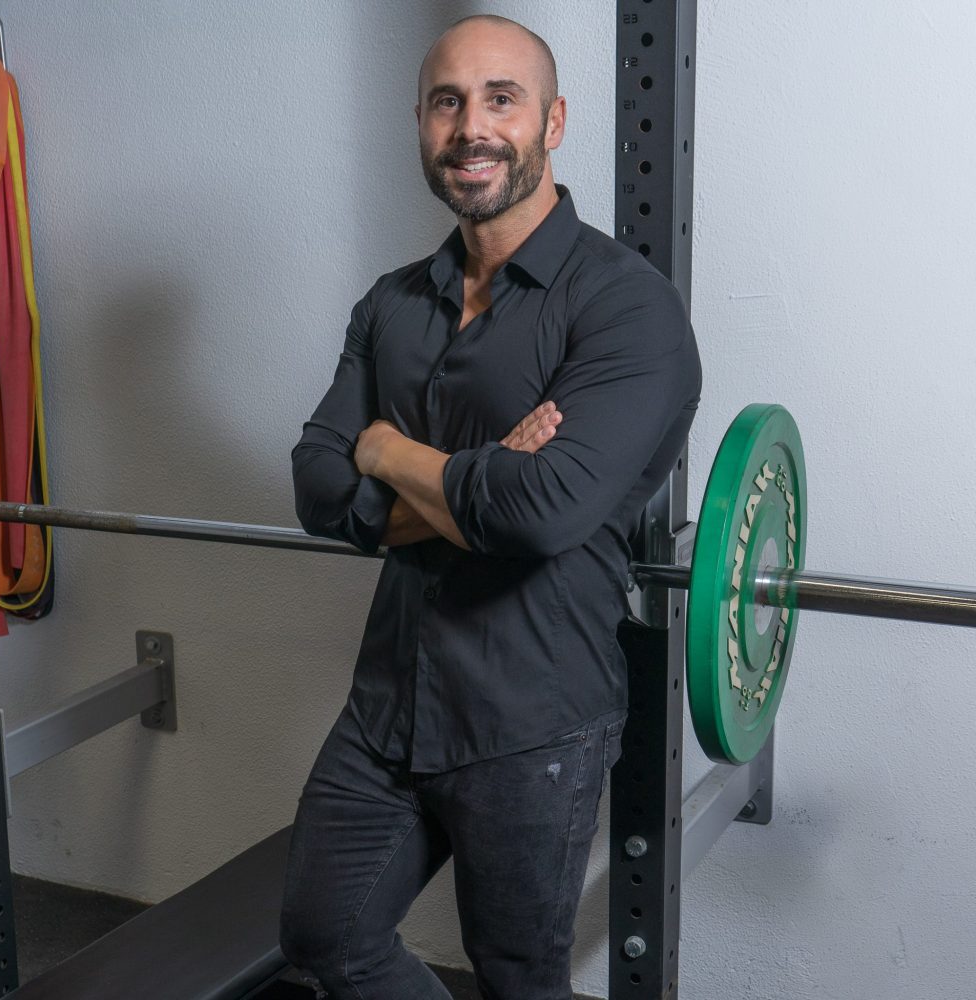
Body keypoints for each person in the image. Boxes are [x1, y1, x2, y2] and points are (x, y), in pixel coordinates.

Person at [280, 14, 701, 1000]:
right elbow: (318, 485)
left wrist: (390, 452)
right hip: (389, 704)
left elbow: (544, 512)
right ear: (423, 125)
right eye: (446, 101)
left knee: (518, 978)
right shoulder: (391, 303)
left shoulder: (625, 308)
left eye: (500, 98)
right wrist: (473, 475)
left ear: (553, 121)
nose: (471, 126)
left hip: (533, 721)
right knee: (323, 935)